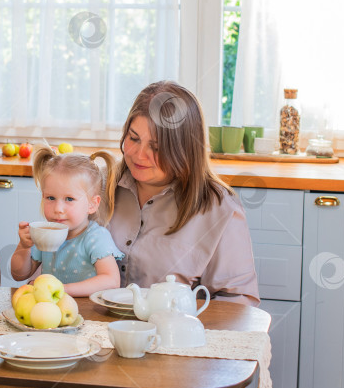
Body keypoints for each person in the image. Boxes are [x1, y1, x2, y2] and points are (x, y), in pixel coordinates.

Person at [108, 80, 260, 305]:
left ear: (184, 150)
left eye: (156, 147)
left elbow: (239, 304)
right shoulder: (98, 186)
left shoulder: (219, 209)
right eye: (134, 138)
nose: (139, 155)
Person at [9, 147, 124, 297]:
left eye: (69, 199)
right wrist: (24, 247)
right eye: (51, 198)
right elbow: (19, 275)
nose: (58, 209)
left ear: (92, 204)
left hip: (86, 310)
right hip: (52, 308)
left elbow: (111, 281)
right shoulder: (44, 234)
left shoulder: (95, 237)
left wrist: (62, 289)